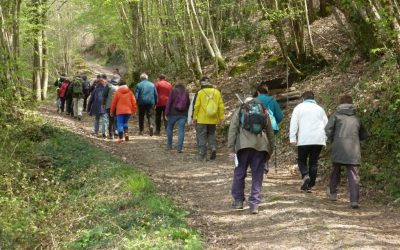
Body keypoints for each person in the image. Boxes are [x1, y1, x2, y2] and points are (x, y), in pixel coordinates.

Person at [228, 97, 275, 214]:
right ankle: (254, 204)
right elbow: (270, 132)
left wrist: (231, 148)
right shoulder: (264, 111)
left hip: (242, 146)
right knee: (257, 175)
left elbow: (233, 129)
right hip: (260, 147)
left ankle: (238, 202)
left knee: (239, 173)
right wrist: (270, 149)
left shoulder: (240, 110)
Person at [325, 95, 368, 209]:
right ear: (351, 104)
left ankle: (333, 193)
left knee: (335, 170)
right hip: (353, 149)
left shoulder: (336, 116)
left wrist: (332, 140)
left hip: (338, 147)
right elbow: (364, 135)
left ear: (340, 104)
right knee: (353, 174)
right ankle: (354, 200)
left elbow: (327, 130)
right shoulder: (356, 119)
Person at [289, 91, 328, 192]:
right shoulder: (320, 109)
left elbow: (294, 123)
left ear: (303, 98)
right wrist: (325, 138)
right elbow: (326, 124)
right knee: (313, 162)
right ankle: (310, 185)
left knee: (301, 160)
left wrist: (292, 138)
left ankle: (305, 175)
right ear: (313, 98)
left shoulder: (299, 108)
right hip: (318, 139)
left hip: (304, 139)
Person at [193, 76, 225, 161]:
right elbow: (221, 106)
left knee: (202, 136)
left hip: (201, 119)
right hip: (213, 118)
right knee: (211, 134)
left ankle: (203, 156)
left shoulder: (200, 92)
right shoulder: (217, 92)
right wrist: (221, 118)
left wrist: (194, 117)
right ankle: (213, 147)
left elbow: (197, 106)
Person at [165, 82, 190, 153]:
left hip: (173, 113)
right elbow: (188, 103)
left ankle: (169, 145)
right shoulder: (186, 92)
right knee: (181, 130)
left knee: (169, 128)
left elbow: (169, 102)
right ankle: (179, 148)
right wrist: (187, 114)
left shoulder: (173, 91)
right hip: (183, 114)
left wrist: (166, 113)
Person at [110, 79, 137, 144]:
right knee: (125, 122)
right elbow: (134, 102)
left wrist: (111, 111)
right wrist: (134, 111)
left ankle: (121, 138)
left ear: (119, 85)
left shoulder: (117, 92)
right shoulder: (130, 92)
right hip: (128, 111)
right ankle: (126, 134)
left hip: (120, 111)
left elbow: (114, 103)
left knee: (120, 124)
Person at [102, 75, 120, 139]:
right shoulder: (119, 87)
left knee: (111, 119)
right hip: (118, 106)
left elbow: (104, 95)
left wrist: (103, 104)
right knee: (116, 119)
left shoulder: (109, 85)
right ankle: (115, 131)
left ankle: (111, 134)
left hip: (109, 105)